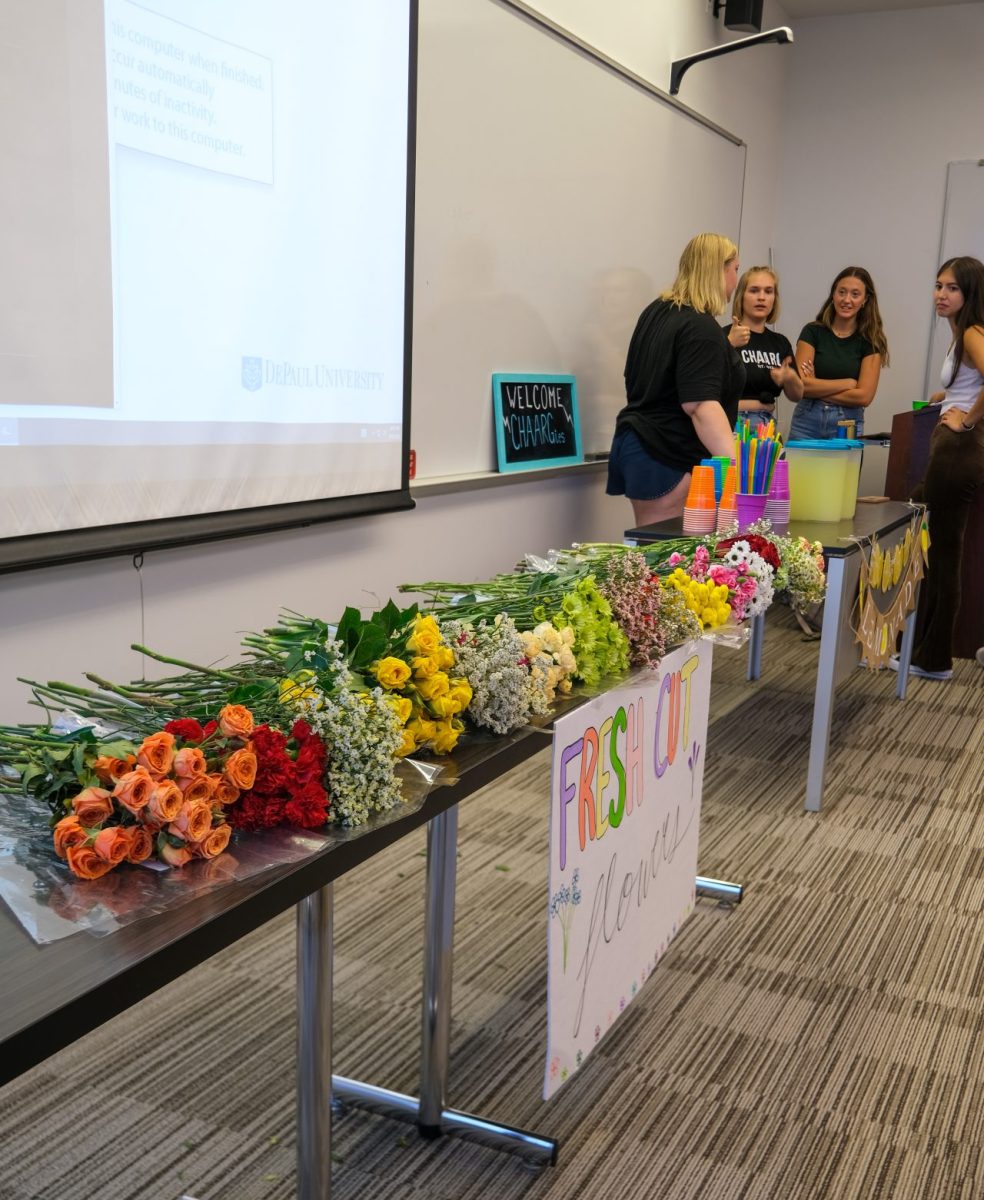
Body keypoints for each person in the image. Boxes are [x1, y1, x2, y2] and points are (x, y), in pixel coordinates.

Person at [607, 233, 745, 525]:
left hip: (639, 445)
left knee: (652, 554)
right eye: (735, 269)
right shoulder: (700, 326)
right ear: (719, 269)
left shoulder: (656, 312)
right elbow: (700, 405)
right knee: (668, 559)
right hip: (667, 453)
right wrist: (741, 469)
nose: (736, 279)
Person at [892, 256, 984, 681]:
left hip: (959, 448)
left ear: (969, 294)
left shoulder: (971, 331)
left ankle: (934, 658)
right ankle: (924, 651)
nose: (940, 295)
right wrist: (944, 398)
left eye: (951, 288)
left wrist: (965, 419)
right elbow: (970, 384)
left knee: (943, 554)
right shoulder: (961, 333)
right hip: (954, 444)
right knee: (934, 548)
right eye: (938, 285)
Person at [789, 266, 889, 440]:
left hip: (846, 424)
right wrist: (848, 383)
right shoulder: (813, 332)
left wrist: (816, 386)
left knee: (842, 469)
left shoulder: (871, 342)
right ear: (833, 295)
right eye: (841, 292)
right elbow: (801, 385)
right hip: (806, 422)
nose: (846, 300)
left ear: (865, 300)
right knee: (798, 468)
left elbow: (864, 397)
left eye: (855, 294)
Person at [724, 266, 803, 433]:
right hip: (731, 422)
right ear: (741, 296)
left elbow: (796, 395)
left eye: (768, 291)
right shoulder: (725, 335)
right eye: (754, 291)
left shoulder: (780, 343)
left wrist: (790, 377)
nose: (761, 297)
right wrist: (729, 344)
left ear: (774, 298)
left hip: (767, 426)